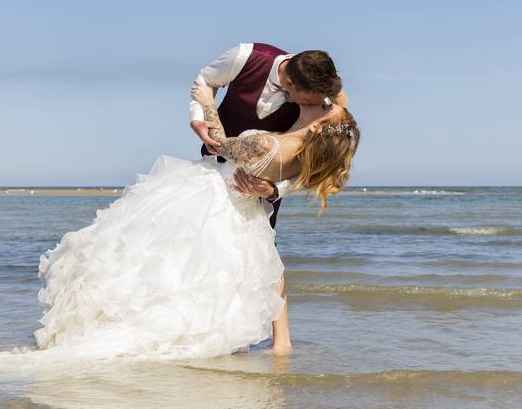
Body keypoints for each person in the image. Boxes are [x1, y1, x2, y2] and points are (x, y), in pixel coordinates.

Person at [35, 84, 359, 360]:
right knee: (216, 275)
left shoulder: (270, 145)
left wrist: (205, 101)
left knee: (162, 260)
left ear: (318, 127)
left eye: (326, 111)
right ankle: (242, 342)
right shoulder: (306, 157)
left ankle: (147, 326)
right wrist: (275, 188)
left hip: (214, 196)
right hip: (249, 214)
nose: (325, 105)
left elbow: (219, 144)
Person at [188, 43, 349, 351]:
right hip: (218, 169)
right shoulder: (245, 57)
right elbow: (205, 79)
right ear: (290, 84)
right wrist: (199, 119)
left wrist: (274, 190)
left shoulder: (322, 112)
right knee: (217, 248)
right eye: (311, 99)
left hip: (264, 175)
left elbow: (317, 168)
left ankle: (280, 341)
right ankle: (226, 330)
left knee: (263, 252)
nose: (316, 103)